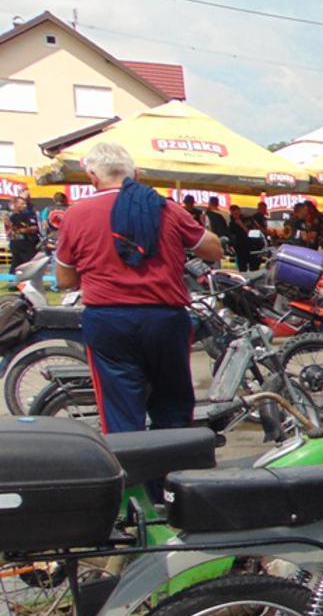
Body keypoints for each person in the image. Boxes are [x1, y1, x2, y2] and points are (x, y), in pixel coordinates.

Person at [54, 142, 222, 432]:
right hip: (164, 318)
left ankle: (132, 460)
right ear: (137, 174)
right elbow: (213, 249)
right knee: (173, 406)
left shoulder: (76, 215)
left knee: (120, 409)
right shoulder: (164, 208)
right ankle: (174, 459)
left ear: (92, 177)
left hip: (108, 320)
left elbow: (65, 280)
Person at [5, 190, 40, 276]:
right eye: (22, 204)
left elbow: (32, 226)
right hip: (18, 242)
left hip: (26, 242)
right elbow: (18, 230)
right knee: (24, 262)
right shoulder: (12, 216)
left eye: (25, 204)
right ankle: (15, 279)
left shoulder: (26, 214)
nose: (25, 206)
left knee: (18, 262)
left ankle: (15, 279)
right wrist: (29, 229)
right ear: (16, 204)